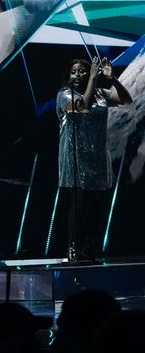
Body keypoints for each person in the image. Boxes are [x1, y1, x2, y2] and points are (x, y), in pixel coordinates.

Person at [57, 57, 132, 262]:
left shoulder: (100, 93)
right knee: (80, 204)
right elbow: (82, 107)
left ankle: (89, 247)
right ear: (68, 75)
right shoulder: (65, 95)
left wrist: (112, 78)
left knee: (96, 206)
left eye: (82, 71)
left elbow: (126, 100)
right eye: (74, 72)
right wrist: (92, 77)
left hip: (97, 157)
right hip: (75, 158)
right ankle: (74, 246)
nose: (78, 75)